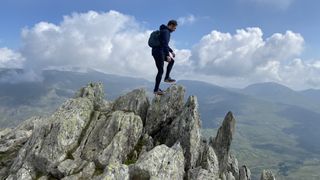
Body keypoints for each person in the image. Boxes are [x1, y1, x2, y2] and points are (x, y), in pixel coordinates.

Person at [152, 20, 178, 95]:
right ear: (171, 25)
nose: (174, 30)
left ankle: (166, 78)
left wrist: (171, 51)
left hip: (157, 51)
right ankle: (156, 89)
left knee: (171, 62)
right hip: (159, 52)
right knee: (160, 71)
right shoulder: (166, 32)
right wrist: (167, 54)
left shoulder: (163, 31)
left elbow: (164, 43)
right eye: (174, 28)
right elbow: (164, 44)